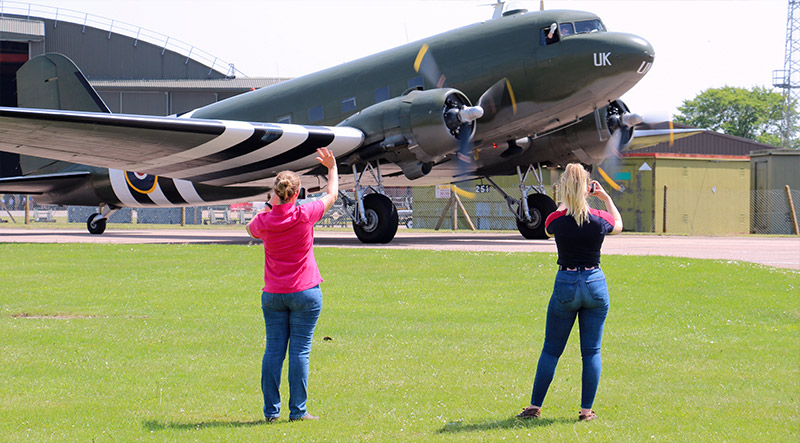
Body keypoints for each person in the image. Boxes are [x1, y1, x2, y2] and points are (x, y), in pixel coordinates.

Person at [517, 163, 622, 422]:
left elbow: (548, 227)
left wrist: (568, 201)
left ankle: (534, 407)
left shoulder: (556, 219)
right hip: (594, 281)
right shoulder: (599, 219)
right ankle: (586, 411)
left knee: (551, 350)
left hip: (566, 281)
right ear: (587, 188)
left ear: (564, 189)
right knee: (592, 351)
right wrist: (605, 196)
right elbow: (618, 224)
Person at [246, 147, 338, 422]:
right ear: (296, 194)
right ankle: (298, 412)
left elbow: (249, 227)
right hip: (305, 291)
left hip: (273, 294)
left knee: (273, 351)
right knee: (300, 351)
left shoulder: (264, 220)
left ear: (275, 192)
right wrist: (332, 168)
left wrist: (269, 205)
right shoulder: (304, 214)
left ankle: (270, 413)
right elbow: (331, 194)